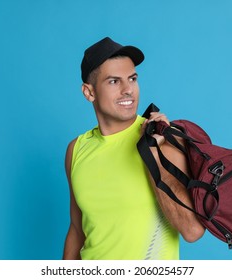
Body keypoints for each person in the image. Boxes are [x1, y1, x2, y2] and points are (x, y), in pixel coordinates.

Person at [63, 37, 204, 260]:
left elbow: (192, 230)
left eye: (132, 78)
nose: (128, 89)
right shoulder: (76, 150)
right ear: (89, 92)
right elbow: (77, 229)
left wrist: (154, 156)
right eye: (113, 81)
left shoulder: (161, 138)